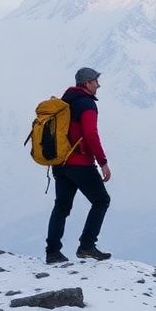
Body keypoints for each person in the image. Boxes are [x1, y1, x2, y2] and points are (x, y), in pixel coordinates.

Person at [45, 67, 112, 264]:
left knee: (61, 206)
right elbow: (91, 134)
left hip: (60, 163)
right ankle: (87, 246)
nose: (98, 85)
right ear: (87, 83)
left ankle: (52, 252)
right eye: (95, 81)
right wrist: (103, 163)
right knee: (101, 200)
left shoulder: (65, 101)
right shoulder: (87, 104)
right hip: (80, 163)